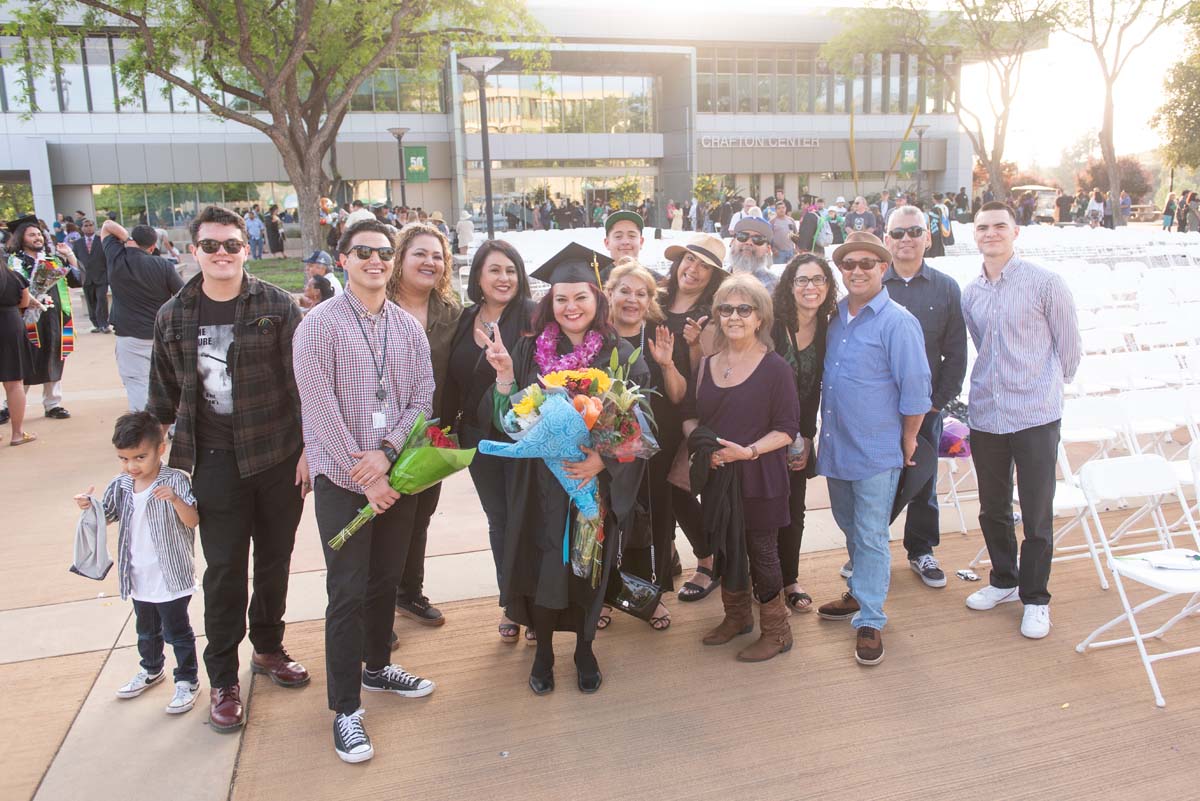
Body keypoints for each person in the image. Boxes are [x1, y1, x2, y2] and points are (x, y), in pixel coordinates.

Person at [147, 205, 310, 733]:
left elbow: (304, 385)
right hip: (213, 464)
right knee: (222, 573)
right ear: (193, 251)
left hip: (277, 456)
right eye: (211, 245)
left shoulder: (278, 305)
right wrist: (146, 464)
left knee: (275, 560)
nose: (222, 253)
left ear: (247, 249)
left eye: (232, 245)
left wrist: (310, 449)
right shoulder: (173, 315)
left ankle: (267, 647)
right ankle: (223, 679)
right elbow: (161, 399)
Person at [294, 218, 437, 764]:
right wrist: (366, 473)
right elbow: (319, 407)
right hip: (343, 478)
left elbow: (422, 397)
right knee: (348, 589)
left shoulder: (406, 327)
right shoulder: (318, 326)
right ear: (343, 260)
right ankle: (346, 708)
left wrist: (389, 454)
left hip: (396, 475)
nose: (375, 261)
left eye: (383, 252)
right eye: (363, 253)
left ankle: (377, 667)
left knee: (385, 579)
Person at [483, 242, 649, 694]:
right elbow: (507, 418)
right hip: (538, 482)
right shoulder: (526, 350)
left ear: (598, 300)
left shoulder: (617, 350)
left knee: (587, 567)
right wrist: (503, 377)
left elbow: (641, 424)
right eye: (560, 298)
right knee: (541, 565)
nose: (570, 307)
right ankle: (542, 655)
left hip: (591, 483)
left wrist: (605, 458)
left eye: (580, 297)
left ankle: (584, 649)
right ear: (548, 302)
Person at [961, 201, 1081, 640]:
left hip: (1035, 415)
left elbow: (1070, 352)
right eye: (982, 228)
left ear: (1016, 232)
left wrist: (1042, 387)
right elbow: (982, 345)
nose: (990, 233)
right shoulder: (970, 292)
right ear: (974, 235)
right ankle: (1004, 581)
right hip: (988, 415)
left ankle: (1035, 597)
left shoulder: (1045, 284)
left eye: (999, 226)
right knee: (993, 508)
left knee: (1036, 513)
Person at [814, 231, 930, 667]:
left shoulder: (898, 322)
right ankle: (860, 591)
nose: (857, 271)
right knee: (849, 524)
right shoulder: (836, 317)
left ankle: (871, 618)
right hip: (838, 446)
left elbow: (916, 389)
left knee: (870, 532)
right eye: (849, 264)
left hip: (878, 450)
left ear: (883, 268)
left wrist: (908, 437)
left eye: (867, 263)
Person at [682, 275, 800, 661]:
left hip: (759, 475)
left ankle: (777, 631)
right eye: (726, 309)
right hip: (719, 476)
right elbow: (693, 417)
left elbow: (786, 430)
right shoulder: (707, 365)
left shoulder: (775, 368)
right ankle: (736, 618)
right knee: (726, 550)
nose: (734, 316)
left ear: (759, 318)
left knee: (762, 552)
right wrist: (705, 449)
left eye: (743, 309)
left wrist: (747, 452)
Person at [73, 411, 201, 714]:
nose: (131, 466)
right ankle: (152, 668)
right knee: (146, 630)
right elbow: (108, 516)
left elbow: (193, 520)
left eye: (139, 457)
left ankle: (187, 679)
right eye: (124, 459)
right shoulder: (122, 484)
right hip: (138, 575)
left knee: (177, 631)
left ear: (160, 449)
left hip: (171, 575)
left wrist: (175, 500)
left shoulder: (175, 481)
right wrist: (88, 506)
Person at [442, 239, 536, 642]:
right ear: (477, 276)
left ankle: (534, 602)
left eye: (511, 270)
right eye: (495, 270)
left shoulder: (532, 316)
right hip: (479, 439)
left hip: (523, 435)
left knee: (526, 517)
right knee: (499, 520)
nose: (504, 278)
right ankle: (510, 602)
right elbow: (452, 378)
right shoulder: (465, 319)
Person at [880, 207, 968, 588]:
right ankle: (869, 550)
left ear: (928, 238)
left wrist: (935, 403)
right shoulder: (870, 283)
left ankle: (921, 550)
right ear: (886, 239)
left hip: (926, 408)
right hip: (877, 409)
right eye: (898, 233)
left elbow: (955, 353)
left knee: (922, 482)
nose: (906, 240)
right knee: (874, 483)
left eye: (915, 231)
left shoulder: (946, 287)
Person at [385, 223, 463, 628]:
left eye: (437, 256)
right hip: (378, 433)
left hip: (429, 434)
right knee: (382, 521)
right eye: (420, 253)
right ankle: (375, 608)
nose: (429, 262)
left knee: (419, 518)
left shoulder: (451, 312)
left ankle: (408, 593)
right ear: (401, 258)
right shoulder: (375, 303)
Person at [604, 261, 683, 630]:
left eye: (641, 293)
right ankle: (604, 596)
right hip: (607, 451)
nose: (632, 299)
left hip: (654, 449)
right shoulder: (596, 338)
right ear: (610, 293)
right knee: (607, 522)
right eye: (625, 291)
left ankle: (648, 598)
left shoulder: (660, 335)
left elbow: (680, 395)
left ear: (650, 300)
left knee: (650, 525)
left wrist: (667, 365)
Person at [660, 234, 728, 601]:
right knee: (655, 491)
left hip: (686, 413)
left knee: (679, 489)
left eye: (704, 266)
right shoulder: (655, 300)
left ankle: (707, 560)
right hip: (646, 409)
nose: (694, 269)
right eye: (690, 260)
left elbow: (712, 373)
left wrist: (694, 344)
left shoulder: (710, 315)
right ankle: (666, 558)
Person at [771, 254, 836, 613]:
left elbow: (815, 391)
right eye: (802, 280)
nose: (810, 287)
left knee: (795, 506)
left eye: (818, 279)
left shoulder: (830, 327)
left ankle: (790, 579)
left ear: (828, 286)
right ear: (789, 286)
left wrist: (806, 437)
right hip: (763, 431)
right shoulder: (772, 324)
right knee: (764, 507)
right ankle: (761, 577)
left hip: (800, 433)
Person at [102, 220, 184, 411]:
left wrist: (127, 238)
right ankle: (173, 426)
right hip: (160, 335)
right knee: (167, 382)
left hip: (129, 335)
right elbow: (184, 296)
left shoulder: (116, 257)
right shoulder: (163, 266)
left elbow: (107, 225)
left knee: (136, 384)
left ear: (132, 240)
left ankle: (146, 430)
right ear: (153, 246)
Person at [6, 215, 80, 421]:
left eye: (39, 234)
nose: (37, 238)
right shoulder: (15, 261)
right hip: (28, 318)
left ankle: (53, 404)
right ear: (22, 238)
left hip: (55, 317)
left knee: (54, 357)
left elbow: (77, 281)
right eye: (32, 235)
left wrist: (70, 255)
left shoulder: (53, 260)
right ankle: (9, 405)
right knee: (25, 359)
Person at [0, 255, 34, 445]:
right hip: (9, 324)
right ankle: (17, 433)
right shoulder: (13, 276)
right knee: (14, 383)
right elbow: (24, 302)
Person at [69, 219, 110, 334]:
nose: (88, 227)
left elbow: (108, 258)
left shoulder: (101, 241)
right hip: (86, 278)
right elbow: (74, 261)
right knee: (91, 302)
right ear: (81, 228)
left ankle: (104, 324)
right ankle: (96, 324)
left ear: (94, 227)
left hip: (101, 277)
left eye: (91, 225)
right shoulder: (77, 244)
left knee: (102, 300)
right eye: (85, 226)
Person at [728, 217, 778, 292]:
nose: (749, 242)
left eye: (758, 239)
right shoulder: (715, 278)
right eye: (743, 236)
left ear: (768, 249)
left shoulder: (775, 286)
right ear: (732, 242)